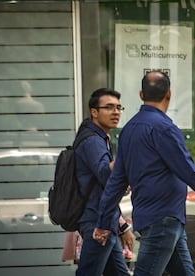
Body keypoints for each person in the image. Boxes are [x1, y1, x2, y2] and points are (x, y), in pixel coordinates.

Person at [93, 71, 195, 276]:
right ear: (169, 94)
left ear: (140, 94)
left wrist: (103, 222)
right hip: (163, 219)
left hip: (159, 218)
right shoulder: (164, 129)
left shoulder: (128, 130)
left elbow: (116, 181)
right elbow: (190, 172)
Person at [74, 88, 133, 276]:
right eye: (108, 107)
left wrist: (122, 225)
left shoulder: (101, 138)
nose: (116, 112)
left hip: (105, 218)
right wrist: (127, 155)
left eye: (118, 107)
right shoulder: (92, 141)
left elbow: (105, 185)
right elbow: (105, 176)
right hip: (96, 221)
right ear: (94, 112)